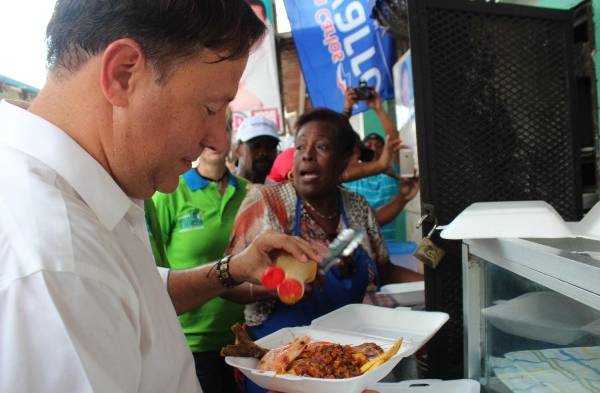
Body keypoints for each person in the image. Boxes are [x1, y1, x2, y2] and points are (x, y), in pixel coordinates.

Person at [0, 2, 322, 392]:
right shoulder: (56, 258)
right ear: (123, 74)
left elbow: (133, 296)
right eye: (209, 107)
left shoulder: (87, 196)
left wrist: (233, 269)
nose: (218, 140)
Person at [227, 108, 422, 393]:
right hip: (280, 367)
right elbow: (229, 283)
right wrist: (276, 286)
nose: (307, 155)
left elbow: (384, 268)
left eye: (321, 147)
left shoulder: (357, 208)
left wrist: (434, 285)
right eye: (301, 147)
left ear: (345, 159)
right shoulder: (268, 203)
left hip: (344, 365)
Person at [151, 120, 248, 392]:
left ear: (231, 137)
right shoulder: (171, 192)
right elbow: (154, 270)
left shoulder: (248, 191)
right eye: (204, 127)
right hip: (192, 341)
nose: (214, 138)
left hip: (243, 334)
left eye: (223, 129)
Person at [342, 89, 419, 241]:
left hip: (391, 248)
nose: (373, 148)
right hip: (361, 248)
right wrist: (346, 111)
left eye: (379, 145)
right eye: (368, 145)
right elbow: (340, 140)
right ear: (359, 153)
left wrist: (378, 108)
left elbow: (395, 140)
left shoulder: (393, 175)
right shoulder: (351, 179)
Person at [235, 116, 280, 184]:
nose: (264, 152)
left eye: (270, 146)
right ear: (238, 150)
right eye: (255, 146)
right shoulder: (223, 190)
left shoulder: (277, 192)